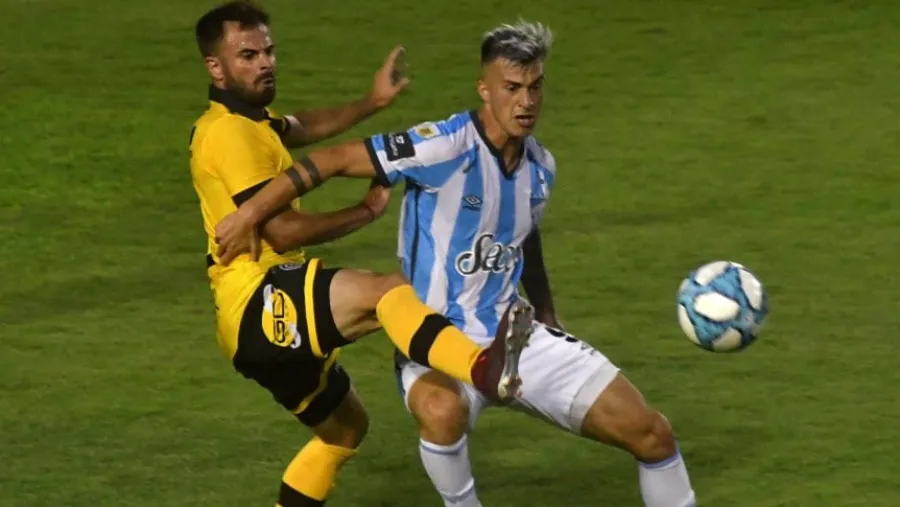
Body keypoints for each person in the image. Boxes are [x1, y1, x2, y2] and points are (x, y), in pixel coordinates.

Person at [215, 18, 698, 507]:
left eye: (535, 87)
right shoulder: (443, 146)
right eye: (511, 88)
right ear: (484, 89)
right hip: (432, 339)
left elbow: (523, 240)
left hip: (513, 337)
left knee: (652, 433)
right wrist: (251, 214)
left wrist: (548, 314)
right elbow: (335, 160)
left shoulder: (542, 168)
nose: (526, 102)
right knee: (442, 411)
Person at [189, 3, 534, 506]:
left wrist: (370, 103)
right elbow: (282, 231)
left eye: (268, 51)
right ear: (215, 67)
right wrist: (363, 212)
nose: (265, 63)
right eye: (247, 55)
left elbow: (301, 127)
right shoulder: (229, 134)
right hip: (257, 298)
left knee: (344, 429)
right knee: (388, 293)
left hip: (247, 324)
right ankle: (481, 368)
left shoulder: (251, 121)